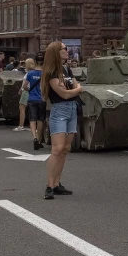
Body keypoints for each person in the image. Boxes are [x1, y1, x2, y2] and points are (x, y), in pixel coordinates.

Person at [41, 41, 81, 200]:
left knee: (65, 148)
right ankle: (49, 186)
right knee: (57, 149)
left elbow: (75, 87)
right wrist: (76, 90)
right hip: (59, 110)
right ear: (57, 52)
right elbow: (64, 94)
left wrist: (75, 89)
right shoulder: (51, 72)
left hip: (72, 109)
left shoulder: (66, 69)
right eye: (64, 48)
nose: (67, 50)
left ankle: (57, 184)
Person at [23, 57, 45, 151]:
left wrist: (29, 90)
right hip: (42, 99)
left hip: (32, 99)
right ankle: (39, 140)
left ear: (35, 62)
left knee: (32, 119)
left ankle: (34, 137)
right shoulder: (45, 74)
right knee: (40, 119)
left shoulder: (30, 73)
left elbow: (25, 86)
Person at [15, 57, 35, 132]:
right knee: (32, 109)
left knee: (22, 108)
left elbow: (25, 84)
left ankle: (21, 125)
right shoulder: (34, 72)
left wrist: (22, 89)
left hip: (26, 91)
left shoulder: (28, 73)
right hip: (32, 91)